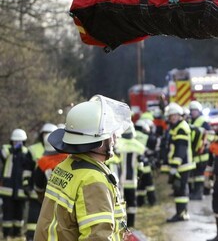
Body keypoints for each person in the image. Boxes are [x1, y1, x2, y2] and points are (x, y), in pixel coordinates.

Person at [33, 95, 131, 241]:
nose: (115, 138)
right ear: (98, 141)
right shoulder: (93, 181)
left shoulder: (67, 165)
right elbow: (97, 238)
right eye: (110, 133)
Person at [25, 123, 59, 241]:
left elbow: (38, 185)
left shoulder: (43, 161)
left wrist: (39, 194)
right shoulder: (70, 158)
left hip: (46, 196)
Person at [163, 102, 195, 223]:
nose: (173, 118)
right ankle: (182, 213)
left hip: (182, 165)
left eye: (175, 115)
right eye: (171, 116)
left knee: (181, 189)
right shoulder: (176, 127)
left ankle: (181, 214)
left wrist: (175, 165)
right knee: (180, 189)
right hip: (181, 165)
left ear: (179, 115)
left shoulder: (181, 128)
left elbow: (181, 148)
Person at [0, 128, 35, 239]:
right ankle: (6, 234)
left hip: (21, 190)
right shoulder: (7, 149)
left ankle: (17, 233)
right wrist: (13, 150)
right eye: (15, 141)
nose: (17, 143)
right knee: (7, 214)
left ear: (23, 142)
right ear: (11, 141)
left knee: (19, 214)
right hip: (7, 189)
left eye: (19, 141)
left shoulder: (26, 152)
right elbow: (3, 155)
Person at [114, 124, 147, 228]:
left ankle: (122, 226)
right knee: (132, 204)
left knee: (120, 203)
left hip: (119, 181)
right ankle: (131, 225)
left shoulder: (117, 144)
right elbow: (141, 165)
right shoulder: (139, 146)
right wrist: (139, 176)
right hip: (132, 180)